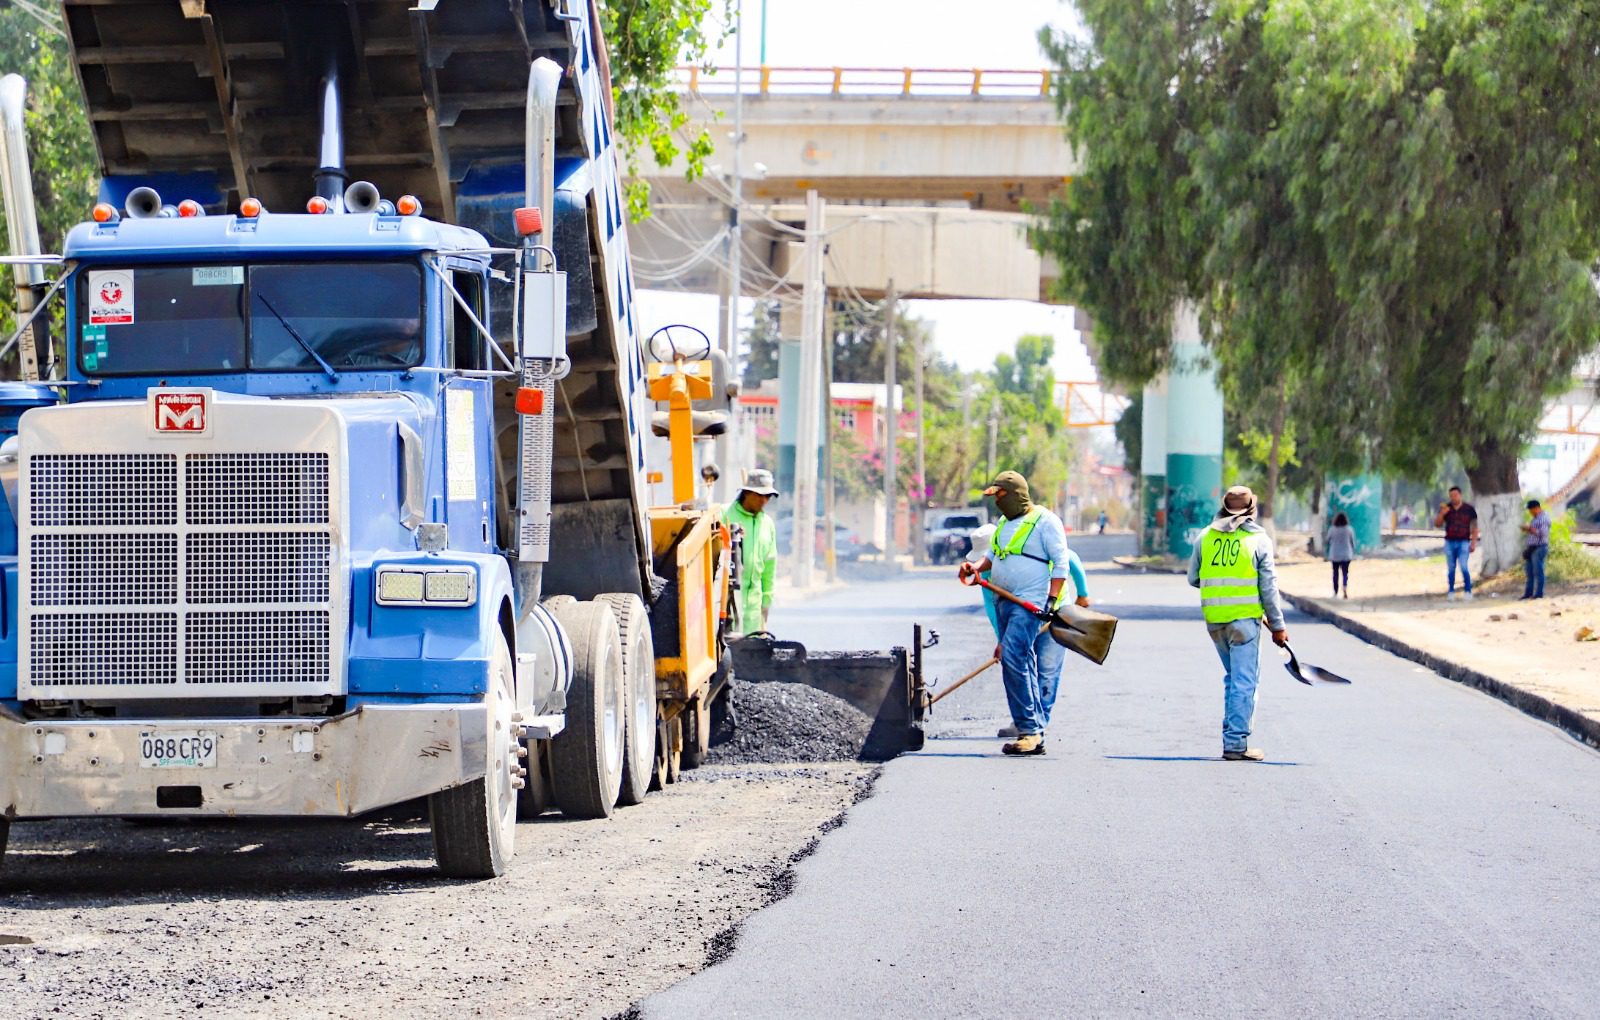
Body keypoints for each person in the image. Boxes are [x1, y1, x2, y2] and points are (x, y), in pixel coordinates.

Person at [956, 470, 1070, 756]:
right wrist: (975, 567)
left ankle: (1030, 730)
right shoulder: (1004, 524)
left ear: (1016, 494)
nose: (997, 503)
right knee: (1023, 661)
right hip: (1004, 601)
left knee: (1013, 657)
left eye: (1000, 496)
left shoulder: (1046, 522)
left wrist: (1052, 601)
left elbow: (1061, 563)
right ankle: (1033, 729)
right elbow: (993, 557)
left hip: (1029, 602)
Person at [1186, 485, 1289, 762]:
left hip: (1215, 621)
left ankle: (1231, 734)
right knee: (1245, 681)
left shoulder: (1205, 537)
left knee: (1233, 679)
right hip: (1244, 623)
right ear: (1252, 509)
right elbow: (1268, 587)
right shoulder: (1259, 541)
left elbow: (1194, 578)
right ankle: (1235, 743)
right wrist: (1278, 626)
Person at [968, 524, 1093, 740]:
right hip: (1020, 619)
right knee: (1023, 667)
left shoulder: (1032, 552)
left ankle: (1037, 723)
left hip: (1054, 614)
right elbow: (992, 608)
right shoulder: (985, 576)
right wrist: (1002, 640)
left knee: (1048, 668)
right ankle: (1027, 721)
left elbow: (1070, 559)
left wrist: (1083, 594)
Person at [723, 468, 779, 635]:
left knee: (752, 656)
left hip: (754, 609)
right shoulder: (723, 515)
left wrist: (766, 602)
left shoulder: (767, 524)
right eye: (759, 495)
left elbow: (770, 565)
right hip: (727, 604)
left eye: (768, 496)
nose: (764, 500)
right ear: (746, 493)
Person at [1432, 486, 1479, 600]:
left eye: (1455, 495)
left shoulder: (1469, 509)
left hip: (1463, 541)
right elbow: (1437, 524)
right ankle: (1451, 591)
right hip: (1450, 542)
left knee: (1464, 566)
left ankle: (1468, 591)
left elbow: (1475, 527)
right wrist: (1442, 514)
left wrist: (1473, 542)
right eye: (1451, 496)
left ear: (1460, 495)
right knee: (1451, 568)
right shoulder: (1446, 508)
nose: (1453, 498)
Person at [1521, 499, 1551, 600]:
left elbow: (1543, 534)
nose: (1530, 512)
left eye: (1531, 509)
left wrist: (1529, 529)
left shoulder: (1543, 519)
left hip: (1539, 547)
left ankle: (1539, 593)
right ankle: (1528, 593)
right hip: (1532, 548)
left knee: (1538, 572)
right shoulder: (1535, 518)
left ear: (1536, 508)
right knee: (1529, 572)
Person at [1325, 512, 1357, 598]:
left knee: (1335, 573)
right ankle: (1345, 587)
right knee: (1345, 573)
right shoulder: (1349, 529)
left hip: (1335, 555)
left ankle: (1335, 592)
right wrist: (1353, 551)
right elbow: (1353, 543)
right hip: (1346, 555)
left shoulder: (1332, 529)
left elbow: (1327, 540)